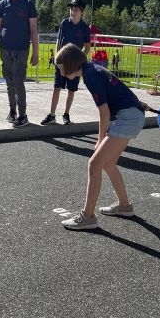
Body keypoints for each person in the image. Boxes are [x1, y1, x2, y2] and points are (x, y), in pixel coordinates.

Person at [55, 43, 147, 230]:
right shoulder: (94, 69)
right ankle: (124, 206)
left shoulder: (90, 76)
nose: (61, 72)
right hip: (132, 114)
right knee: (108, 163)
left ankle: (88, 217)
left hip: (128, 118)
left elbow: (104, 113)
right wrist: (136, 103)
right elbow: (119, 88)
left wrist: (99, 140)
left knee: (94, 164)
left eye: (61, 68)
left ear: (70, 64)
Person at [0, 0, 39, 128]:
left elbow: (33, 30)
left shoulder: (28, 5)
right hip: (4, 49)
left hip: (21, 49)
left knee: (18, 81)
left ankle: (22, 115)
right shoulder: (2, 4)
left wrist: (36, 53)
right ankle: (12, 111)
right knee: (9, 82)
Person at [41, 0, 91, 126]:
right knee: (57, 87)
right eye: (71, 9)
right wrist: (58, 56)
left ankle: (66, 114)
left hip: (75, 64)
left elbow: (87, 46)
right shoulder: (64, 23)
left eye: (75, 10)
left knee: (71, 90)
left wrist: (81, 59)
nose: (72, 12)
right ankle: (52, 114)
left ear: (81, 12)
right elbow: (58, 40)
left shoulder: (85, 28)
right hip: (62, 61)